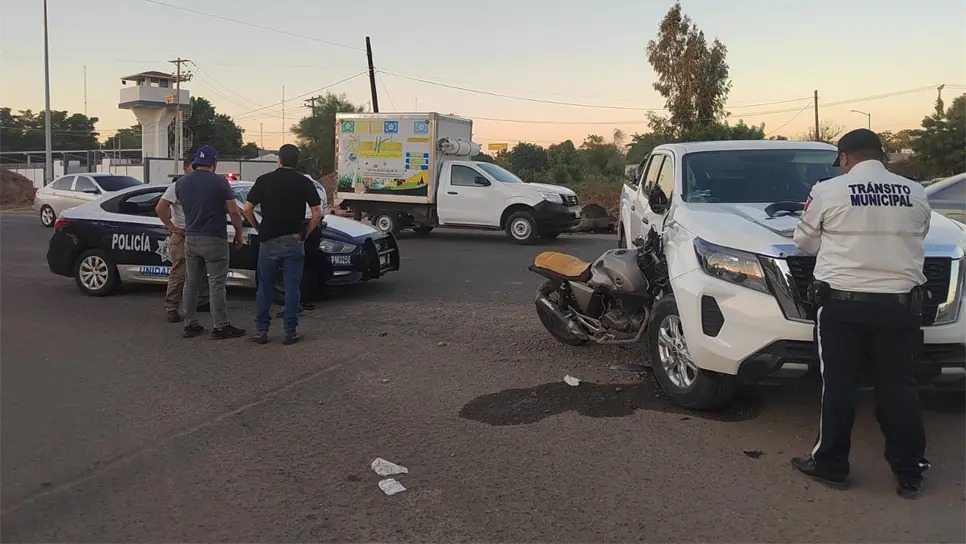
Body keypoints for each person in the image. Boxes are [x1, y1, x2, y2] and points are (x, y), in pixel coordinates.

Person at [791, 129, 932, 499]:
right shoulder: (915, 192)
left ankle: (832, 465)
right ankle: (910, 471)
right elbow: (920, 233)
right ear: (880, 156)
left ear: (844, 158)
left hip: (842, 306)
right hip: (900, 307)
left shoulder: (828, 190)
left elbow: (803, 242)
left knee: (839, 386)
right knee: (898, 387)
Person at [244, 144, 323, 345]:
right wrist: (305, 233)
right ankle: (290, 331)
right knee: (292, 287)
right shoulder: (303, 182)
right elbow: (317, 212)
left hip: (268, 239)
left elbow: (247, 209)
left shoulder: (264, 181)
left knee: (265, 287)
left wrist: (258, 228)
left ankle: (262, 331)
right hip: (293, 240)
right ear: (297, 161)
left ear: (278, 160)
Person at [176, 145, 247, 340]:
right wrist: (239, 232)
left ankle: (190, 324)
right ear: (214, 163)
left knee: (191, 282)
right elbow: (233, 211)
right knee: (216, 283)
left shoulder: (182, 183)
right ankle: (220, 325)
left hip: (191, 238)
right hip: (214, 238)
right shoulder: (220, 182)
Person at [156, 157, 209, 323]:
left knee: (201, 270)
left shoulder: (203, 187)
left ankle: (202, 301)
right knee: (179, 272)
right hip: (182, 235)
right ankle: (172, 306)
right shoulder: (177, 187)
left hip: (199, 233)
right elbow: (160, 207)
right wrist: (172, 227)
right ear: (187, 168)